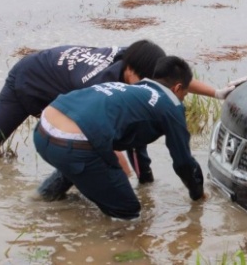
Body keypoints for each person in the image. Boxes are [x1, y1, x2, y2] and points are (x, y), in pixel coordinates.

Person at [0, 40, 238, 158]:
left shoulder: (135, 57)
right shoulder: (99, 82)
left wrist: (217, 93)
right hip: (27, 80)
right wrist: (116, 160)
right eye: (144, 81)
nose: (149, 87)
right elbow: (90, 128)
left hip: (56, 79)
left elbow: (174, 80)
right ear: (129, 71)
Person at [33, 55, 204, 219]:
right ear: (177, 88)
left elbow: (136, 143)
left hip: (43, 129)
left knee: (85, 162)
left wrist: (145, 180)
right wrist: (198, 196)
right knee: (129, 211)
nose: (182, 99)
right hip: (72, 146)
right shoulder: (171, 105)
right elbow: (183, 163)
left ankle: (39, 199)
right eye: (185, 94)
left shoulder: (135, 90)